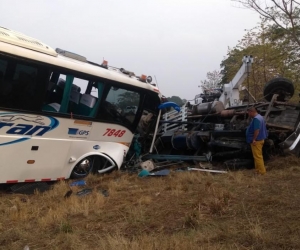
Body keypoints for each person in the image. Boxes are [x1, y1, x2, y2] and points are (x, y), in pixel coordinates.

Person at [246, 107, 268, 175]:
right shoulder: (260, 117)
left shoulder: (256, 119)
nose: (249, 114)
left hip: (257, 141)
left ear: (251, 112)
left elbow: (257, 130)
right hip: (260, 139)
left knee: (258, 157)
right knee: (257, 156)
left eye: (249, 113)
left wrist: (254, 139)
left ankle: (262, 172)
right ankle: (258, 170)